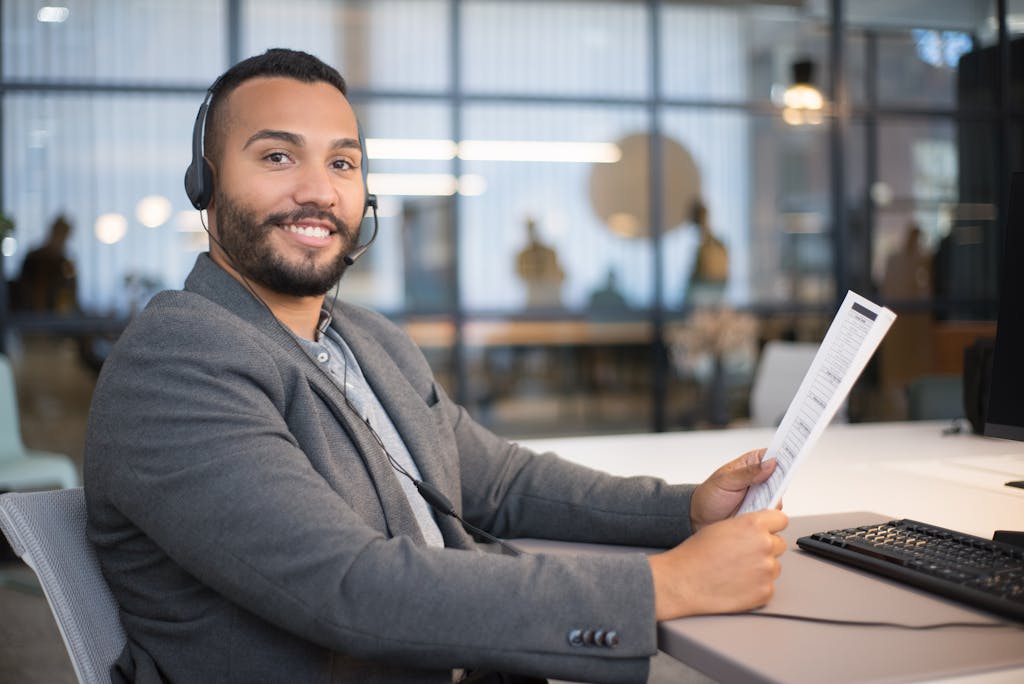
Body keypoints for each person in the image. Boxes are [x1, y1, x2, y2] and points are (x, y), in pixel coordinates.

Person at [84, 49, 787, 684]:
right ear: (205, 185)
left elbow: (504, 482)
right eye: (277, 158)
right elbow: (350, 588)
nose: (320, 192)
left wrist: (684, 509)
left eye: (342, 162)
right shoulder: (177, 360)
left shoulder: (369, 340)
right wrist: (663, 587)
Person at [11, 214, 78, 313]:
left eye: (64, 235)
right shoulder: (34, 258)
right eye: (59, 234)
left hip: (55, 319)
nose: (62, 239)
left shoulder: (66, 264)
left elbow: (70, 295)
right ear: (52, 232)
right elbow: (25, 290)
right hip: (31, 316)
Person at [515, 216, 565, 308]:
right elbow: (521, 274)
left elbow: (561, 275)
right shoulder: (523, 255)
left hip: (553, 300)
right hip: (533, 301)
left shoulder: (550, 252)